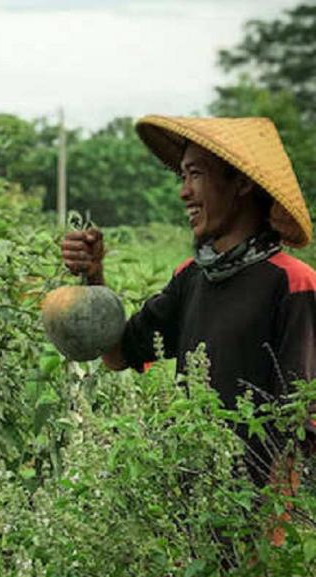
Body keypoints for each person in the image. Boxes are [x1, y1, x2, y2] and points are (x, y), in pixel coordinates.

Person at [62, 115, 315, 484]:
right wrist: (94, 277)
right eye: (182, 176)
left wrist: (271, 530)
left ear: (242, 181)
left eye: (195, 174)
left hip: (261, 521)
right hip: (190, 515)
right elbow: (118, 354)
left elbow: (300, 427)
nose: (184, 192)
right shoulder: (192, 277)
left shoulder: (293, 285)